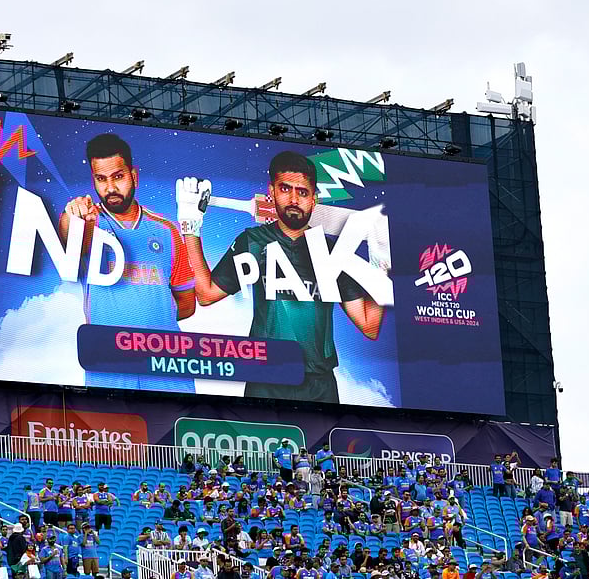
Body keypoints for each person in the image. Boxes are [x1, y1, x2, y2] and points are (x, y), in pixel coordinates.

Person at [177, 150, 389, 402]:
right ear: (272, 191)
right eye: (285, 189)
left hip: (320, 387)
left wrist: (380, 269)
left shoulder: (333, 251)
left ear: (314, 199)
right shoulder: (252, 242)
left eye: (302, 192)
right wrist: (191, 227)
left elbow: (370, 325)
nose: (293, 199)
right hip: (266, 380)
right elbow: (206, 294)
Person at [58, 133, 198, 391]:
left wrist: (149, 331)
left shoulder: (167, 230)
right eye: (101, 179)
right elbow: (70, 235)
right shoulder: (89, 220)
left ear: (133, 176)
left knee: (176, 430)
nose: (110, 188)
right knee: (111, 431)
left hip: (167, 367)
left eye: (118, 177)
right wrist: (73, 216)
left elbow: (187, 305)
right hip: (109, 365)